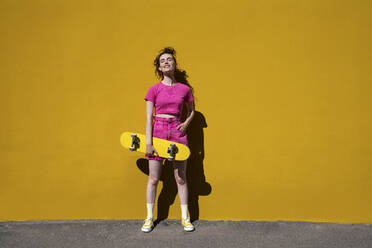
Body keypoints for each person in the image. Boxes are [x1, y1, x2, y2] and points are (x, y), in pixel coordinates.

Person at [141, 47, 195, 232]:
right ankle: (149, 218)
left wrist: (186, 123)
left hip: (178, 132)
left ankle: (185, 218)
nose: (166, 62)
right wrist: (149, 143)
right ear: (159, 66)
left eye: (169, 59)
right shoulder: (153, 89)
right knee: (154, 178)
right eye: (162, 60)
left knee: (181, 178)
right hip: (159, 132)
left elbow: (192, 110)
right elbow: (149, 118)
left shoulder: (184, 89)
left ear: (174, 64)